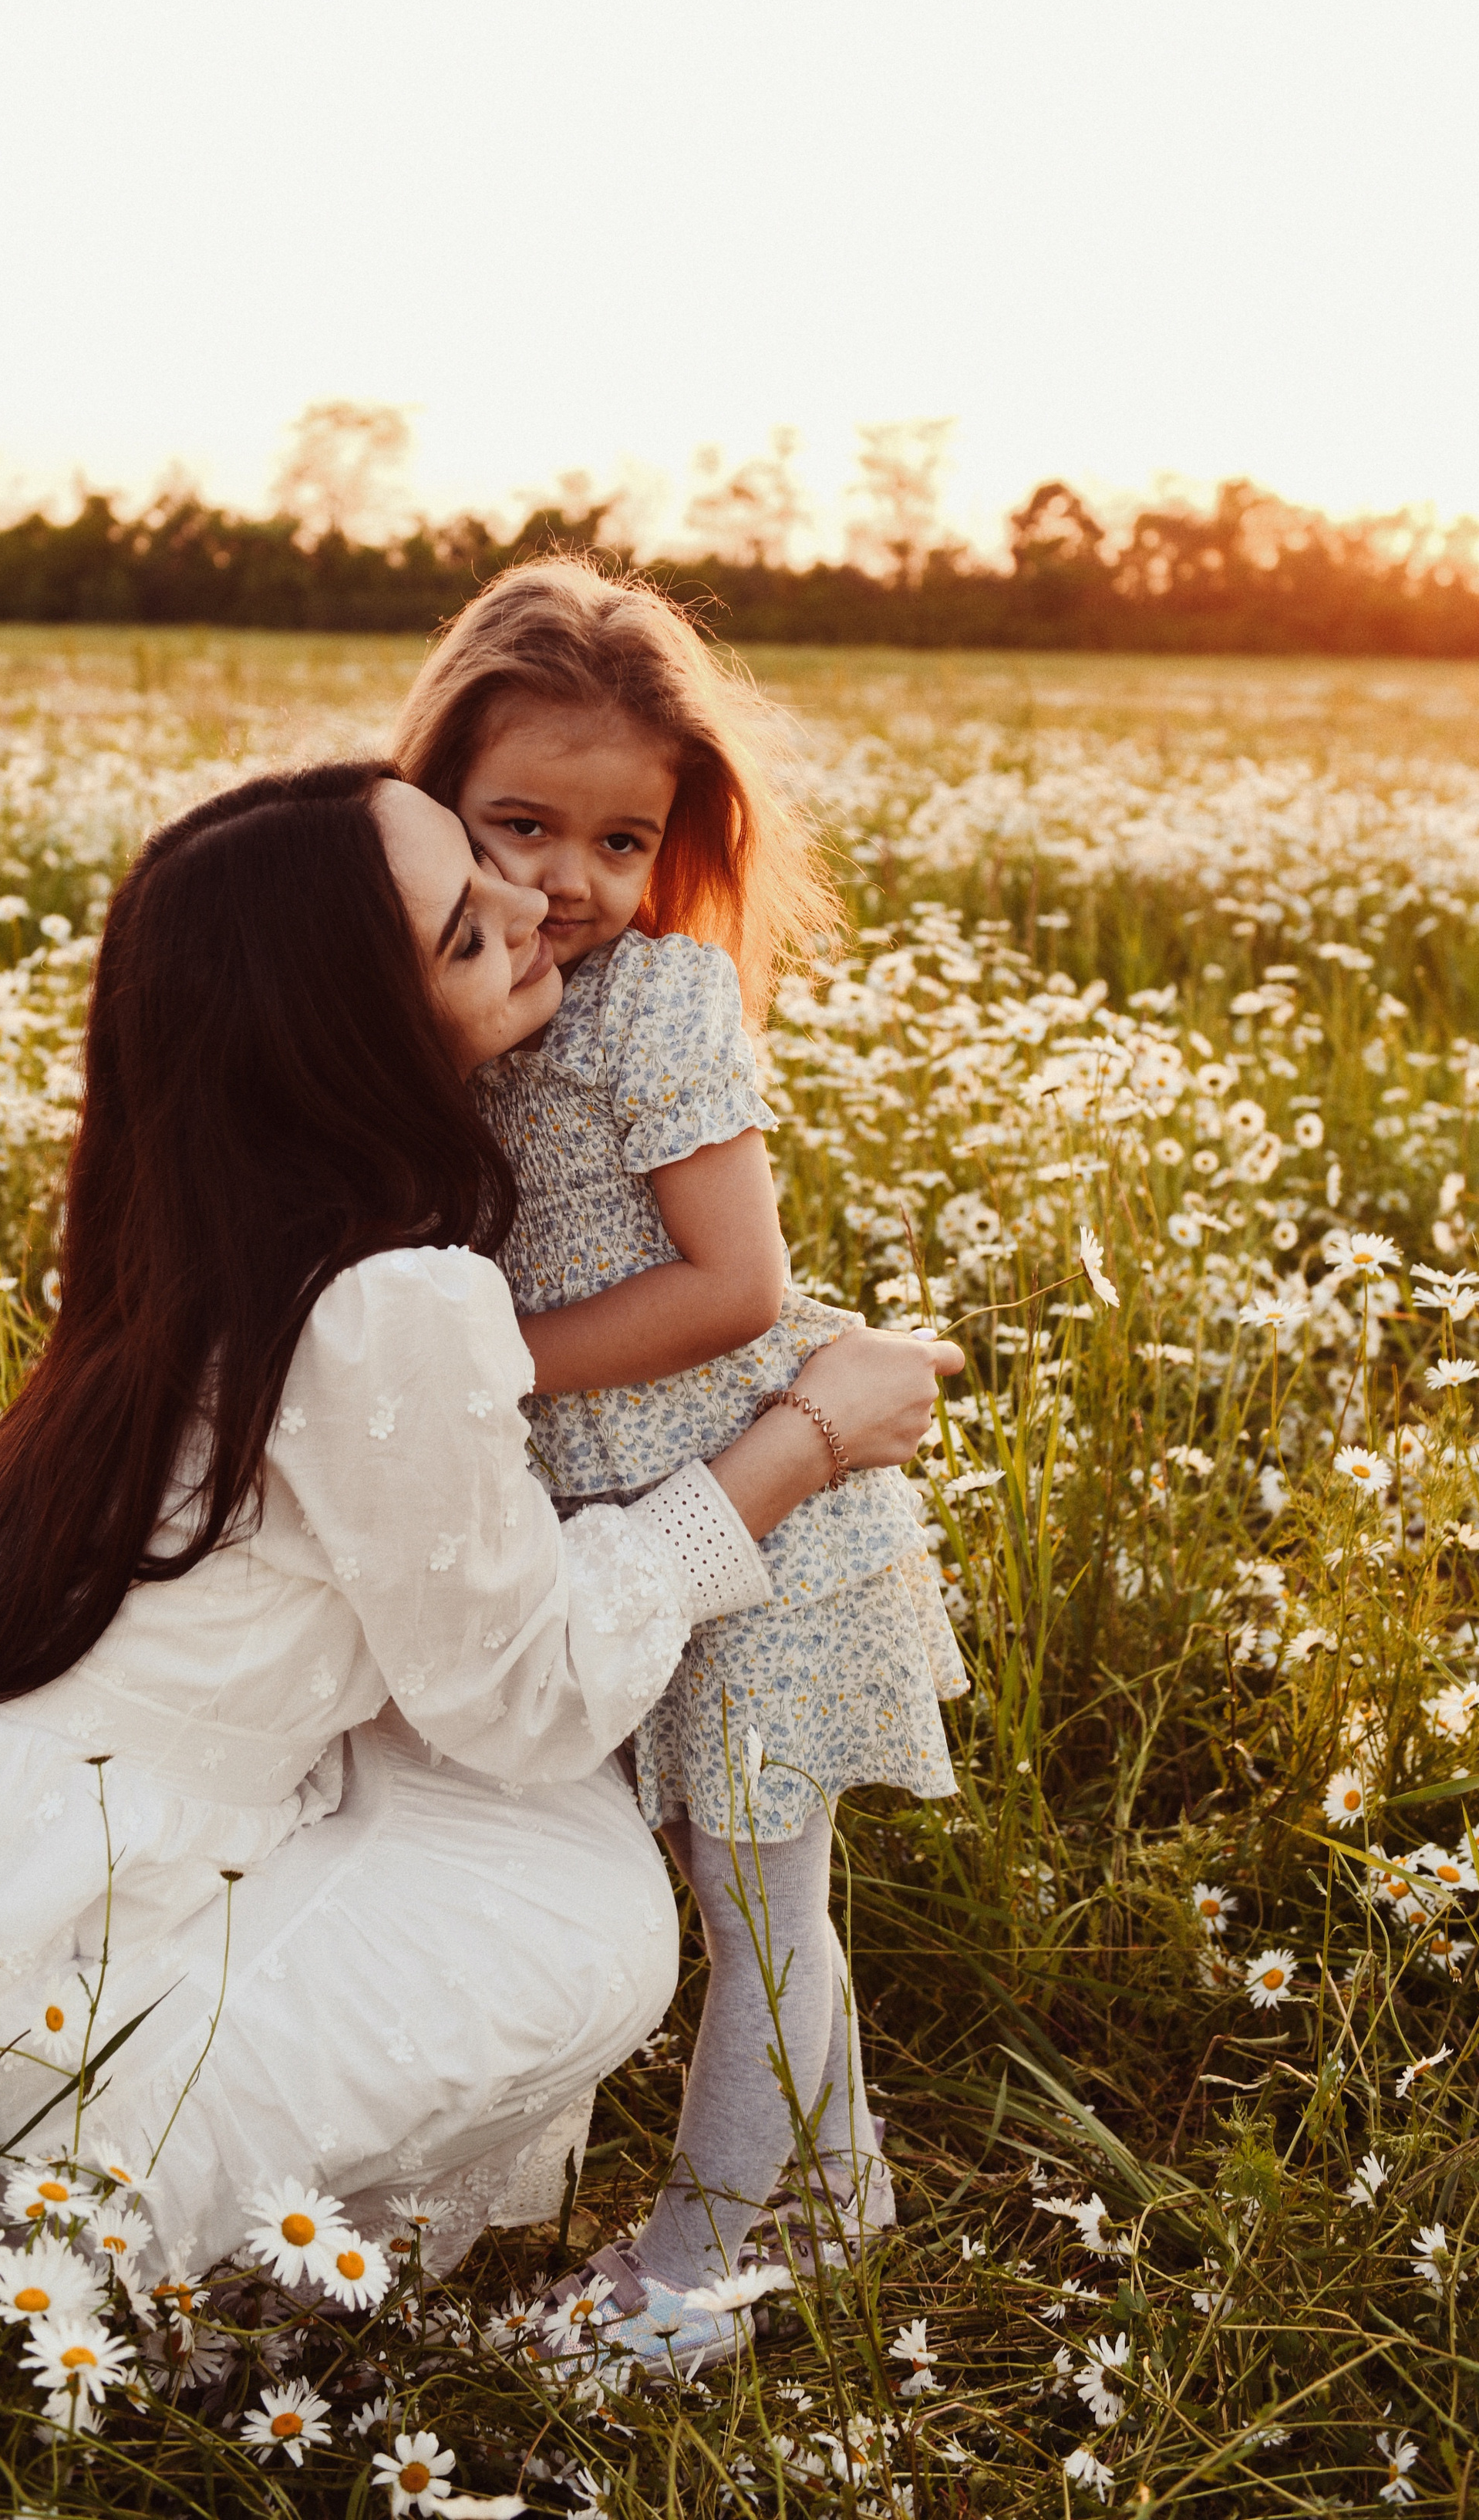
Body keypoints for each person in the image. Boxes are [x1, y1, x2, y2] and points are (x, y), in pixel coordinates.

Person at [0, 761, 955, 2311]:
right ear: (351, 1043)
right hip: (28, 1939)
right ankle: (58, 2256)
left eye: (482, 861)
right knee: (591, 1925)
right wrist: (804, 1438)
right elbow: (533, 1699)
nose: (534, 904)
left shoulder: (204, 1220)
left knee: (496, 1811)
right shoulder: (391, 1298)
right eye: (464, 930)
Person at [394, 561, 969, 2360]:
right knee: (701, 1877)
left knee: (755, 1897)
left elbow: (738, 1288)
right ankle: (837, 2189)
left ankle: (707, 2262)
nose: (569, 879)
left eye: (621, 841)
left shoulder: (658, 1000)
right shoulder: (448, 1003)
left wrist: (469, 1366)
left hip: (760, 1509)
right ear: (430, 802)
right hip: (617, 1523)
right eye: (520, 825)